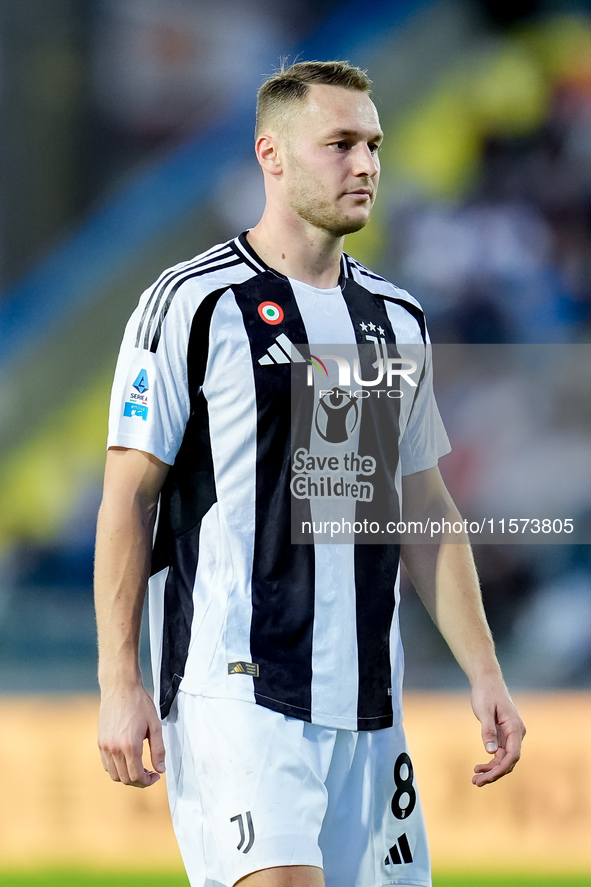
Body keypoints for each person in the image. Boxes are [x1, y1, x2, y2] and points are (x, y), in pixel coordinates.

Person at [95, 60, 526, 887]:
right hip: (238, 688)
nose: (365, 163)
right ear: (273, 155)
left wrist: (484, 672)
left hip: (368, 703)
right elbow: (128, 498)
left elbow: (421, 511)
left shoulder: (392, 318)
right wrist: (121, 681)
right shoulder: (194, 305)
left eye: (372, 144)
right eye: (340, 144)